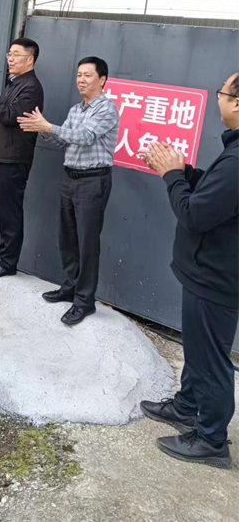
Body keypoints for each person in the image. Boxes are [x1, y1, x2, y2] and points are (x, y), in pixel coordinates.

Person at [139, 71, 239, 470]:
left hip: (215, 277)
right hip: (208, 272)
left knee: (210, 360)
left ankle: (211, 439)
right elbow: (220, 199)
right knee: (199, 351)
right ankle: (186, 407)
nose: (219, 98)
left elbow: (195, 215)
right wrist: (186, 172)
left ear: (237, 103)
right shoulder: (233, 153)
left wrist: (172, 176)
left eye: (222, 92)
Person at [18, 56, 119, 326]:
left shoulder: (106, 109)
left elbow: (85, 137)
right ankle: (71, 286)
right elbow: (64, 140)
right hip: (70, 178)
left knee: (87, 243)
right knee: (68, 238)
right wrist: (42, 130)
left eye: (87, 75)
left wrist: (48, 126)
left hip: (93, 180)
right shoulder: (76, 109)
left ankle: (85, 302)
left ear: (102, 79)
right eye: (78, 75)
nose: (81, 80)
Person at [0, 38, 44, 280]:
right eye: (9, 54)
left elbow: (10, 115)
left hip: (14, 157)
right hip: (3, 155)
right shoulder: (15, 83)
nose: (10, 59)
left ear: (30, 59)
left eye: (15, 54)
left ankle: (8, 263)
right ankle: (3, 256)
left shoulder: (31, 87)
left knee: (10, 210)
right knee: (3, 208)